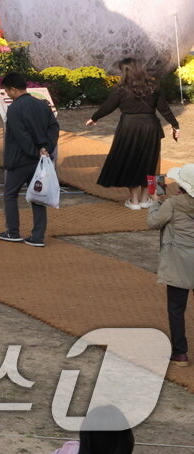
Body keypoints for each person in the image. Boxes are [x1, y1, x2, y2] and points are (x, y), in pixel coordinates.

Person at [88, 58, 180, 209]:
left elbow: (108, 106)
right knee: (150, 162)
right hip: (150, 127)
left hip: (129, 127)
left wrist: (94, 118)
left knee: (130, 161)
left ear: (124, 72)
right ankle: (146, 199)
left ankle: (134, 201)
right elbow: (164, 109)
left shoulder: (121, 89)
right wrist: (175, 125)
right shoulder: (153, 87)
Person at [0, 73, 60, 247]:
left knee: (10, 194)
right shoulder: (42, 105)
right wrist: (46, 148)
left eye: (7, 91)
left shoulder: (15, 109)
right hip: (41, 161)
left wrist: (33, 151)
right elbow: (54, 127)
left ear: (13, 89)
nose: (7, 94)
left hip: (20, 159)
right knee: (38, 196)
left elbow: (20, 135)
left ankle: (13, 231)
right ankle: (37, 236)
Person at [148, 163, 194, 369]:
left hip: (178, 261)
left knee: (176, 308)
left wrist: (155, 202)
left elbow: (153, 222)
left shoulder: (173, 204)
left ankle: (180, 353)